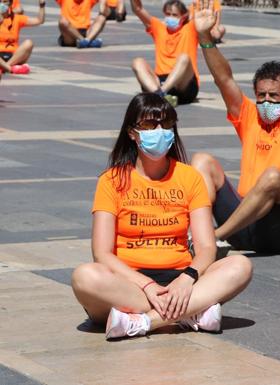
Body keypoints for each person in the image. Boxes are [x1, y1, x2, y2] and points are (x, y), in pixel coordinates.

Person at [71, 93, 253, 340]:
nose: (159, 130)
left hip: (181, 279)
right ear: (132, 132)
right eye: (149, 125)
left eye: (166, 124)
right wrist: (147, 286)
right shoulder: (111, 181)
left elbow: (207, 248)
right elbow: (101, 253)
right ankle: (189, 313)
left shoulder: (190, 178)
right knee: (85, 276)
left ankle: (144, 322)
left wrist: (187, 279)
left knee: (240, 265)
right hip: (129, 283)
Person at [191, 0, 280, 254]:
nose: (265, 101)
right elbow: (224, 79)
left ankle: (214, 237)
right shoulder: (250, 117)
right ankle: (199, 234)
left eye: (273, 96)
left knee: (273, 176)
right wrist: (205, 36)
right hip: (244, 224)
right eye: (261, 95)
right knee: (201, 161)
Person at [130, 0, 207, 107]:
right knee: (137, 62)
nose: (170, 17)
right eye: (168, 14)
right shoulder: (159, 28)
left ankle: (160, 94)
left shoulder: (190, 28)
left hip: (184, 84)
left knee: (184, 57)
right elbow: (138, 9)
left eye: (175, 15)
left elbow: (203, 21)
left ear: (183, 16)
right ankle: (158, 94)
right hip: (160, 80)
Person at [0, 0, 45, 75]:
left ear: (10, 3)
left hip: (14, 56)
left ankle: (5, 67)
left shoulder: (16, 18)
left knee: (28, 43)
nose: (2, 4)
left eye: (5, 2)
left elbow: (39, 20)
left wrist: (42, 6)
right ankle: (10, 68)